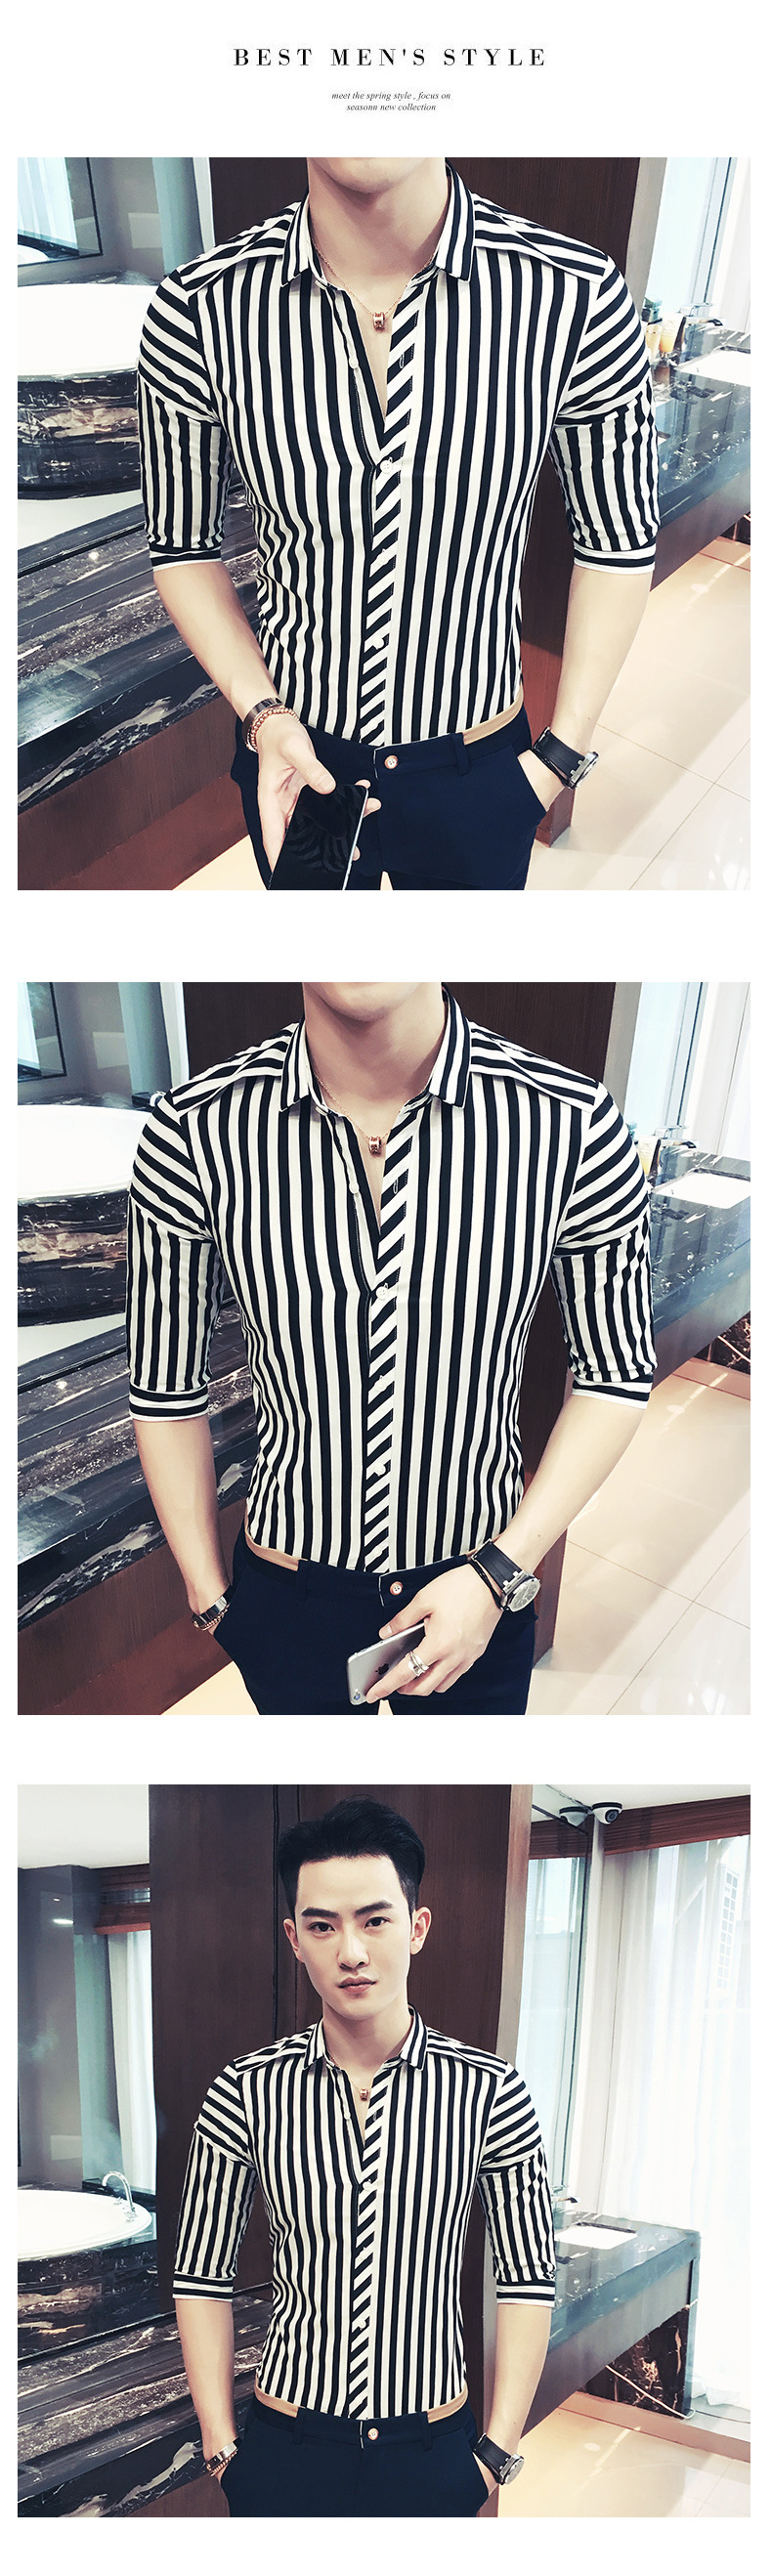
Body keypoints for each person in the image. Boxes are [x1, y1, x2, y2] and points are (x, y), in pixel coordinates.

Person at [126, 983, 657, 1715]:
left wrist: (501, 1571)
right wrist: (211, 1599)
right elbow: (163, 1387)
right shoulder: (193, 1129)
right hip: (286, 1591)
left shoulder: (573, 1123)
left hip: (480, 1577)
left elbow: (615, 1376)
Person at [137, 157, 660, 891]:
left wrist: (558, 760)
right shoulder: (197, 308)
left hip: (480, 767)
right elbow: (181, 546)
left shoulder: (575, 293)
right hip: (295, 757)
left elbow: (618, 543)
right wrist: (261, 715)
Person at [173, 1798, 556, 2518]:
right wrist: (222, 2448)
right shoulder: (244, 2090)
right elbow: (200, 2276)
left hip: (431, 2450)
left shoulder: (491, 2091)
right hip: (286, 2446)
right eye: (323, 1926)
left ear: (417, 1928)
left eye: (375, 1920)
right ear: (294, 1939)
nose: (350, 1951)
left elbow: (527, 2279)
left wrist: (496, 2454)